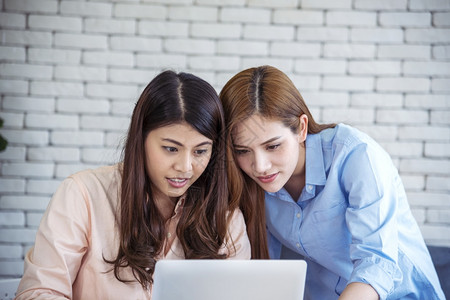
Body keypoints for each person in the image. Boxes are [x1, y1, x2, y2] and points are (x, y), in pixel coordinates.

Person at [16, 70, 251, 299]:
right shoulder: (83, 194)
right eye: (171, 149)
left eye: (200, 151)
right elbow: (38, 292)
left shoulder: (227, 219)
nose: (185, 167)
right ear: (141, 139)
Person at [219, 65, 445, 300]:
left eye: (273, 146)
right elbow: (266, 271)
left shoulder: (356, 156)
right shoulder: (247, 180)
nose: (260, 166)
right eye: (243, 150)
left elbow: (376, 264)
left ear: (302, 128)